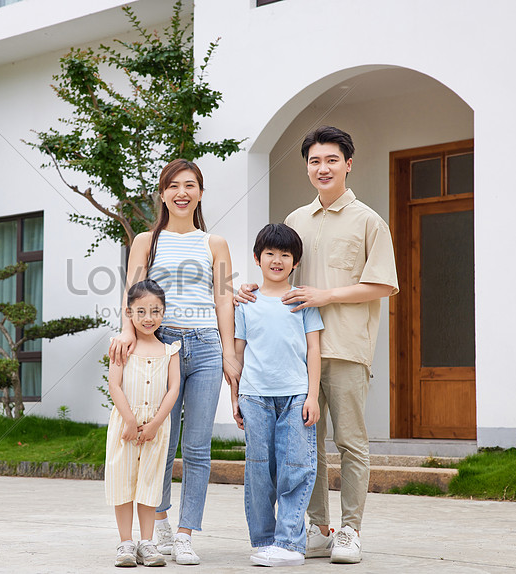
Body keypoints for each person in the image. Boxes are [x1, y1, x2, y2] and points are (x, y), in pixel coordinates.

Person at [237, 126, 398, 564]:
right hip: (294, 353)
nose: (322, 168)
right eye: (314, 161)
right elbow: (280, 272)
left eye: (331, 160)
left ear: (348, 163)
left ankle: (350, 530)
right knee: (306, 447)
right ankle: (318, 528)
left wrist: (327, 296)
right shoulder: (295, 220)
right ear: (307, 166)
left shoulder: (369, 221)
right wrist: (253, 291)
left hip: (345, 347)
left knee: (350, 442)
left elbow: (383, 284)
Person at [109, 159, 238, 565]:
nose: (182, 192)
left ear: (200, 193)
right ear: (162, 193)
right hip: (160, 347)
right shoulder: (147, 240)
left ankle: (185, 533)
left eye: (191, 185)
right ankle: (159, 522)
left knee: (197, 447)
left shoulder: (214, 243)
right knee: (159, 442)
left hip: (205, 347)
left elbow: (223, 298)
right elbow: (133, 292)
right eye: (174, 186)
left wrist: (230, 353)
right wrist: (128, 332)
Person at [231, 223, 324, 567]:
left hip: (296, 395)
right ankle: (265, 541)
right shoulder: (246, 303)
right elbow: (238, 353)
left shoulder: (301, 301)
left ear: (295, 262)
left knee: (296, 467)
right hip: (254, 396)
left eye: (285, 254)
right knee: (258, 470)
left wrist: (312, 396)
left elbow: (314, 350)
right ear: (257, 258)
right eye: (270, 253)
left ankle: (289, 543)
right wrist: (234, 395)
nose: (277, 260)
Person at [105, 279, 181, 567]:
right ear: (129, 313)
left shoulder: (169, 351)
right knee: (122, 483)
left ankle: (147, 543)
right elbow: (115, 385)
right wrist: (130, 420)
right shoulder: (121, 347)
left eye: (155, 311)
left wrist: (153, 425)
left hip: (155, 430)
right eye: (141, 312)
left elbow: (173, 390)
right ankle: (126, 542)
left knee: (149, 485)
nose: (148, 318)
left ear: (163, 312)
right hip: (125, 428)